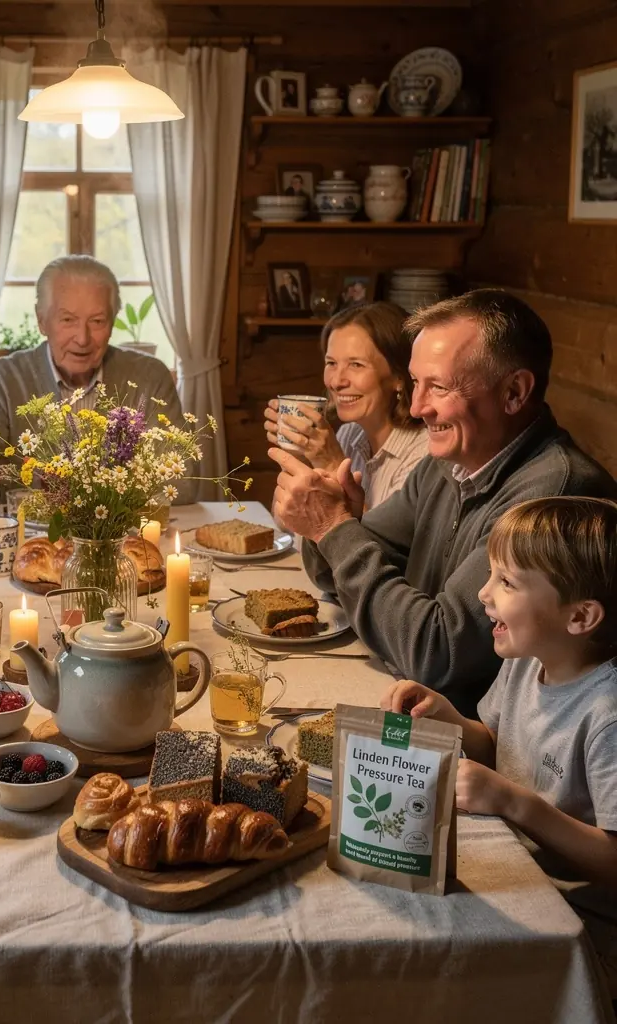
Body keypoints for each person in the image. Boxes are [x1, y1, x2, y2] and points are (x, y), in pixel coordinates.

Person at [272, 288, 617, 717]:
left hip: (486, 747)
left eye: (437, 386)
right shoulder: (448, 463)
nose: (417, 409)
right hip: (405, 697)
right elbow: (332, 572)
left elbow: (437, 654)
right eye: (416, 383)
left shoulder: (553, 499)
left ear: (514, 392)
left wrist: (336, 528)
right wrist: (335, 523)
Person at [382, 496, 617, 997]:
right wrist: (446, 716)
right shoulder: (527, 660)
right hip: (520, 872)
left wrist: (513, 802)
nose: (484, 595)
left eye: (506, 582)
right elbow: (496, 743)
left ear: (580, 617)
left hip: (582, 931)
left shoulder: (608, 715)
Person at [0, 254, 188, 508]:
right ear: (42, 321)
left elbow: (178, 486)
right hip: (27, 543)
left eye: (97, 321)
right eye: (68, 320)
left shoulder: (149, 377)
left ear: (112, 322)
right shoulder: (2, 380)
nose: (83, 338)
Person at [264, 302, 428, 509]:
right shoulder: (349, 434)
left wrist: (332, 464)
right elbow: (286, 520)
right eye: (331, 363)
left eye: (356, 365)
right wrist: (300, 458)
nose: (336, 382)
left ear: (399, 376)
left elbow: (382, 541)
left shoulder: (423, 454)